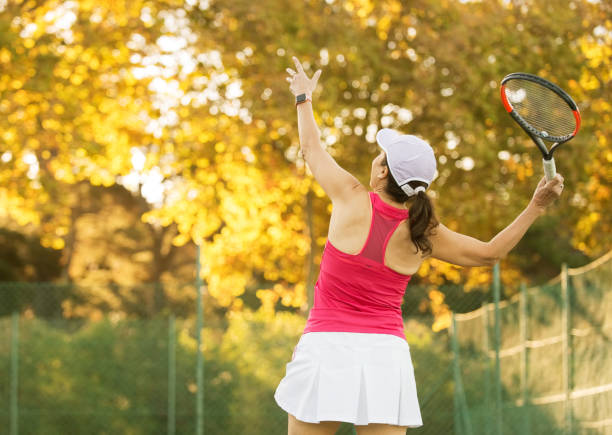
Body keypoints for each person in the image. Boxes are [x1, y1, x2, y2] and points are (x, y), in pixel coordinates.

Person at [274, 56, 564, 435]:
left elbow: (311, 149)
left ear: (381, 172)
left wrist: (303, 97)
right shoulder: (424, 231)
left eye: (379, 157)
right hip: (384, 357)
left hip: (327, 347)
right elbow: (489, 253)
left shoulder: (350, 196)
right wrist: (534, 207)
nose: (375, 160)